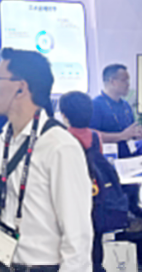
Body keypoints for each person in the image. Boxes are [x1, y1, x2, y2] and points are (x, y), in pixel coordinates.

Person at [0, 49, 92, 272]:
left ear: (21, 87)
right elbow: (7, 206)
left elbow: (77, 234)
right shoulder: (2, 141)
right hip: (1, 263)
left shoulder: (59, 146)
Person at [58, 91, 105, 272]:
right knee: (95, 241)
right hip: (95, 196)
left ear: (64, 115)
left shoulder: (62, 138)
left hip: (71, 196)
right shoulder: (96, 137)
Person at [90, 64, 142, 158]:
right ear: (112, 82)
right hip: (108, 158)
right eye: (124, 80)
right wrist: (120, 136)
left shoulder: (125, 105)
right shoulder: (95, 105)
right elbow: (92, 134)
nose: (128, 84)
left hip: (129, 155)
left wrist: (137, 134)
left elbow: (129, 132)